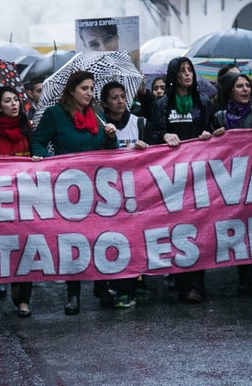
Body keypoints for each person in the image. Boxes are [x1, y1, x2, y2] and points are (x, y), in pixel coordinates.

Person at [31, 70, 118, 315]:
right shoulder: (55, 114)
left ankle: (101, 287)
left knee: (101, 237)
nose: (89, 93)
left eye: (91, 88)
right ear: (71, 90)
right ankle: (73, 293)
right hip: (68, 186)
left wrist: (111, 138)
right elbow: (37, 142)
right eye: (84, 88)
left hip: (96, 185)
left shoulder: (97, 115)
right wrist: (53, 163)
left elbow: (108, 150)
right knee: (75, 239)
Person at [147, 56, 215, 304]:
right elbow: (152, 133)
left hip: (198, 174)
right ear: (173, 75)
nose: (187, 74)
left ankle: (196, 284)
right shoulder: (162, 104)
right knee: (179, 227)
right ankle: (181, 277)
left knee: (199, 226)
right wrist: (164, 134)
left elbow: (213, 129)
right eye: (182, 71)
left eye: (190, 70)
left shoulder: (204, 102)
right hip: (172, 177)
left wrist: (208, 134)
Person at [211, 72, 252, 300]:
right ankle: (244, 275)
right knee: (238, 226)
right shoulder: (218, 117)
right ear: (229, 91)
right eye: (239, 86)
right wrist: (213, 137)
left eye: (247, 86)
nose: (246, 89)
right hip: (231, 182)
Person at [0, 86, 34, 317]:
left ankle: (24, 299)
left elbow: (39, 150)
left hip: (25, 197)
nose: (14, 104)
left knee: (28, 245)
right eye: (7, 101)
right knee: (5, 247)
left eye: (16, 100)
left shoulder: (28, 128)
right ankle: (7, 280)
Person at [100, 80, 149, 308]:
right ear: (104, 103)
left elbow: (155, 153)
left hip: (137, 192)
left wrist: (145, 146)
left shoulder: (139, 123)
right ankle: (119, 287)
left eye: (123, 97)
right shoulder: (98, 126)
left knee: (136, 238)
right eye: (114, 98)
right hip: (108, 195)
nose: (120, 102)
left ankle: (136, 281)